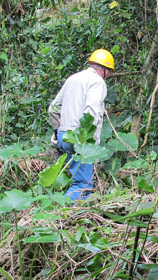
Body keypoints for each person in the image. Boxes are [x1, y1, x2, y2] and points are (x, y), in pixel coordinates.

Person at [48, 49, 114, 200]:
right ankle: (60, 215)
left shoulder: (73, 78)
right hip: (80, 138)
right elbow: (91, 112)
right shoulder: (98, 82)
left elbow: (53, 108)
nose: (108, 75)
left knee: (76, 179)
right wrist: (92, 145)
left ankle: (67, 214)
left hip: (64, 135)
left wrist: (57, 130)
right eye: (109, 72)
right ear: (104, 70)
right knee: (82, 184)